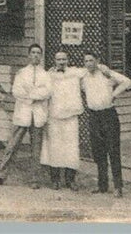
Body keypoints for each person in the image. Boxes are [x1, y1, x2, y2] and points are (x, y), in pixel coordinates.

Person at [0, 43, 52, 187]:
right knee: (12, 146)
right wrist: (34, 96)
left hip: (38, 115)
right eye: (33, 53)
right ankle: (1, 175)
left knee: (36, 149)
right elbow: (17, 91)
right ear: (29, 55)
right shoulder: (21, 73)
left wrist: (30, 94)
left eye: (38, 53)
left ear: (41, 56)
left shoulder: (45, 75)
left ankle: (34, 180)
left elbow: (47, 92)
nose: (36, 55)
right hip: (23, 114)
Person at [81, 53, 131, 197]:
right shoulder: (84, 77)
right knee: (98, 152)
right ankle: (102, 185)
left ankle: (118, 186)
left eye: (91, 60)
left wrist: (114, 94)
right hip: (93, 116)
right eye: (86, 61)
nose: (89, 63)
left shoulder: (106, 73)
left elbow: (127, 81)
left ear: (97, 61)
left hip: (108, 115)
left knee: (113, 151)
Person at [41, 50, 86, 190]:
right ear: (54, 60)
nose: (61, 62)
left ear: (68, 60)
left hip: (71, 117)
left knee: (71, 149)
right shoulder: (48, 75)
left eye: (64, 59)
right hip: (54, 116)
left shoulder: (75, 73)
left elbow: (90, 71)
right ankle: (55, 179)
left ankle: (70, 180)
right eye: (59, 59)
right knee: (54, 148)